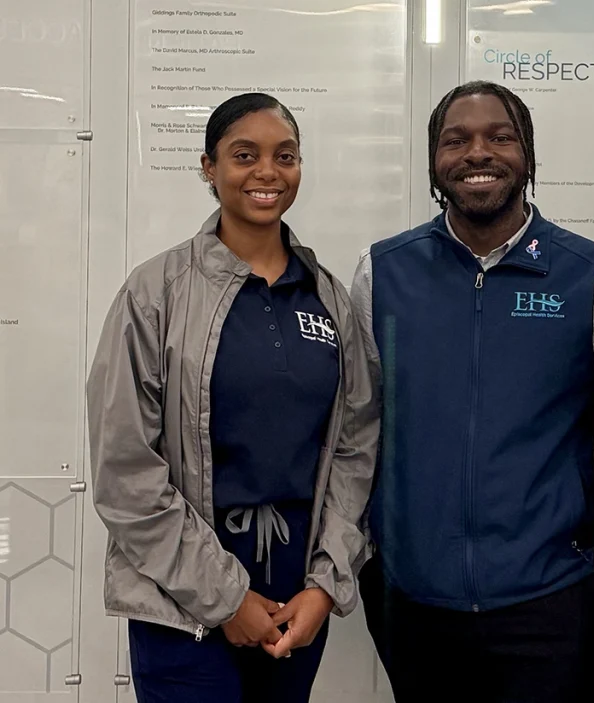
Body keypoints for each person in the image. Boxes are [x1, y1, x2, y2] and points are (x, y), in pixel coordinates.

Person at [86, 92, 379, 703]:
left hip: (295, 599)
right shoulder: (155, 292)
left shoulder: (327, 298)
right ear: (208, 167)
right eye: (245, 155)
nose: (267, 172)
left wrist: (324, 585)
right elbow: (124, 472)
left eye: (286, 155)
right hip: (182, 602)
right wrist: (225, 597)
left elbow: (356, 450)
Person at [350, 80, 594, 701]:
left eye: (499, 137)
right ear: (434, 162)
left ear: (528, 154)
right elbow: (358, 430)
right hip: (412, 599)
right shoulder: (383, 273)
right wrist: (366, 555)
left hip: (551, 598)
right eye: (457, 140)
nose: (478, 153)